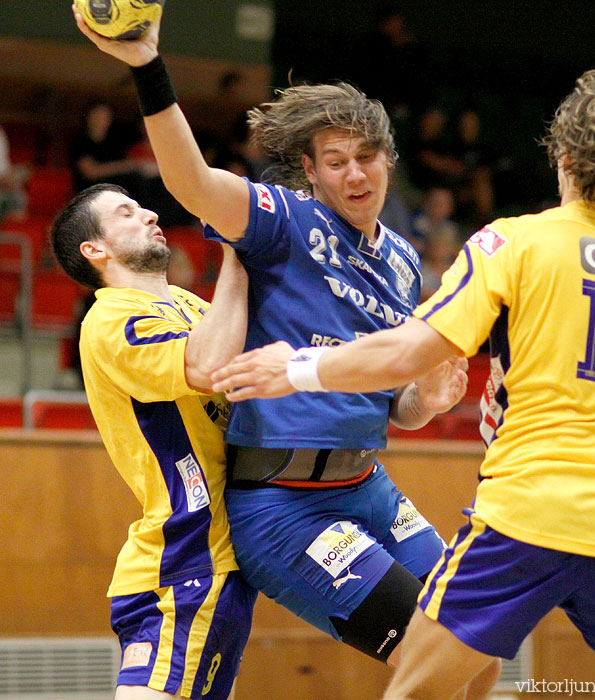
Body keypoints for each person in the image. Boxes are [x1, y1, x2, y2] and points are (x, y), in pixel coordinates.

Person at [214, 65, 595, 699]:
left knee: (421, 687)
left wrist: (294, 367)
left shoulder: (515, 244)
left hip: (528, 521)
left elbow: (408, 351)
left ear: (564, 156)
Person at [72, 10, 502, 697]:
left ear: (388, 160)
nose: (354, 175)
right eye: (335, 162)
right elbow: (190, 181)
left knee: (480, 650)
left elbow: (399, 406)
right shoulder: (282, 220)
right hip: (286, 507)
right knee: (434, 653)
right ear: (310, 169)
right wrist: (148, 68)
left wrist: (428, 399)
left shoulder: (400, 259)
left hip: (368, 488)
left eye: (366, 158)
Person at [50, 182, 257, 700]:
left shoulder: (186, 302)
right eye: (126, 212)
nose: (148, 213)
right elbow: (208, 366)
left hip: (216, 555)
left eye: (142, 205)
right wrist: (238, 246)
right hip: (183, 559)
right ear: (94, 249)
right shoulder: (111, 319)